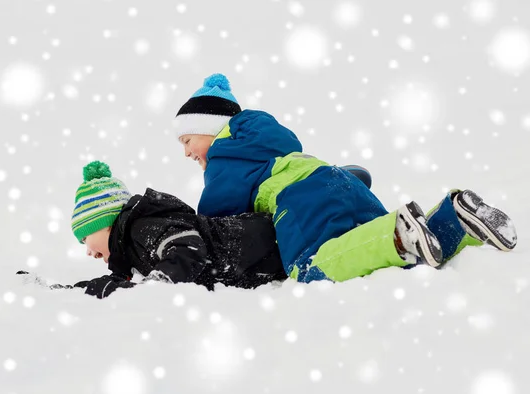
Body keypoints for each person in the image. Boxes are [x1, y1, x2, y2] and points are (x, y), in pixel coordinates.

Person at [173, 73, 518, 283]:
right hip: (342, 181)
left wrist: (192, 230)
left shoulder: (223, 154)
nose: (188, 153)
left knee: (310, 267)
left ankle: (397, 234)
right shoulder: (265, 143)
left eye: (188, 141)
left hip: (302, 199)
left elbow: (218, 216)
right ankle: (454, 218)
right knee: (393, 259)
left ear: (210, 128)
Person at [66, 160, 286, 298]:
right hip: (259, 261)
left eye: (84, 238)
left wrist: (159, 284)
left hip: (264, 241)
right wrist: (74, 291)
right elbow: (118, 287)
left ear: (105, 224)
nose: (87, 251)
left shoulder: (140, 228)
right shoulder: (129, 252)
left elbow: (187, 246)